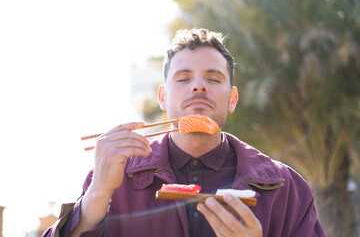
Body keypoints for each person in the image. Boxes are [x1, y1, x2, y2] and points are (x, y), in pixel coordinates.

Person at [43, 28, 326, 237]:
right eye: (184, 78)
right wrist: (95, 197)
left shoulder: (285, 188)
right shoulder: (112, 177)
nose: (198, 86)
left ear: (232, 99)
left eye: (213, 78)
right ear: (163, 97)